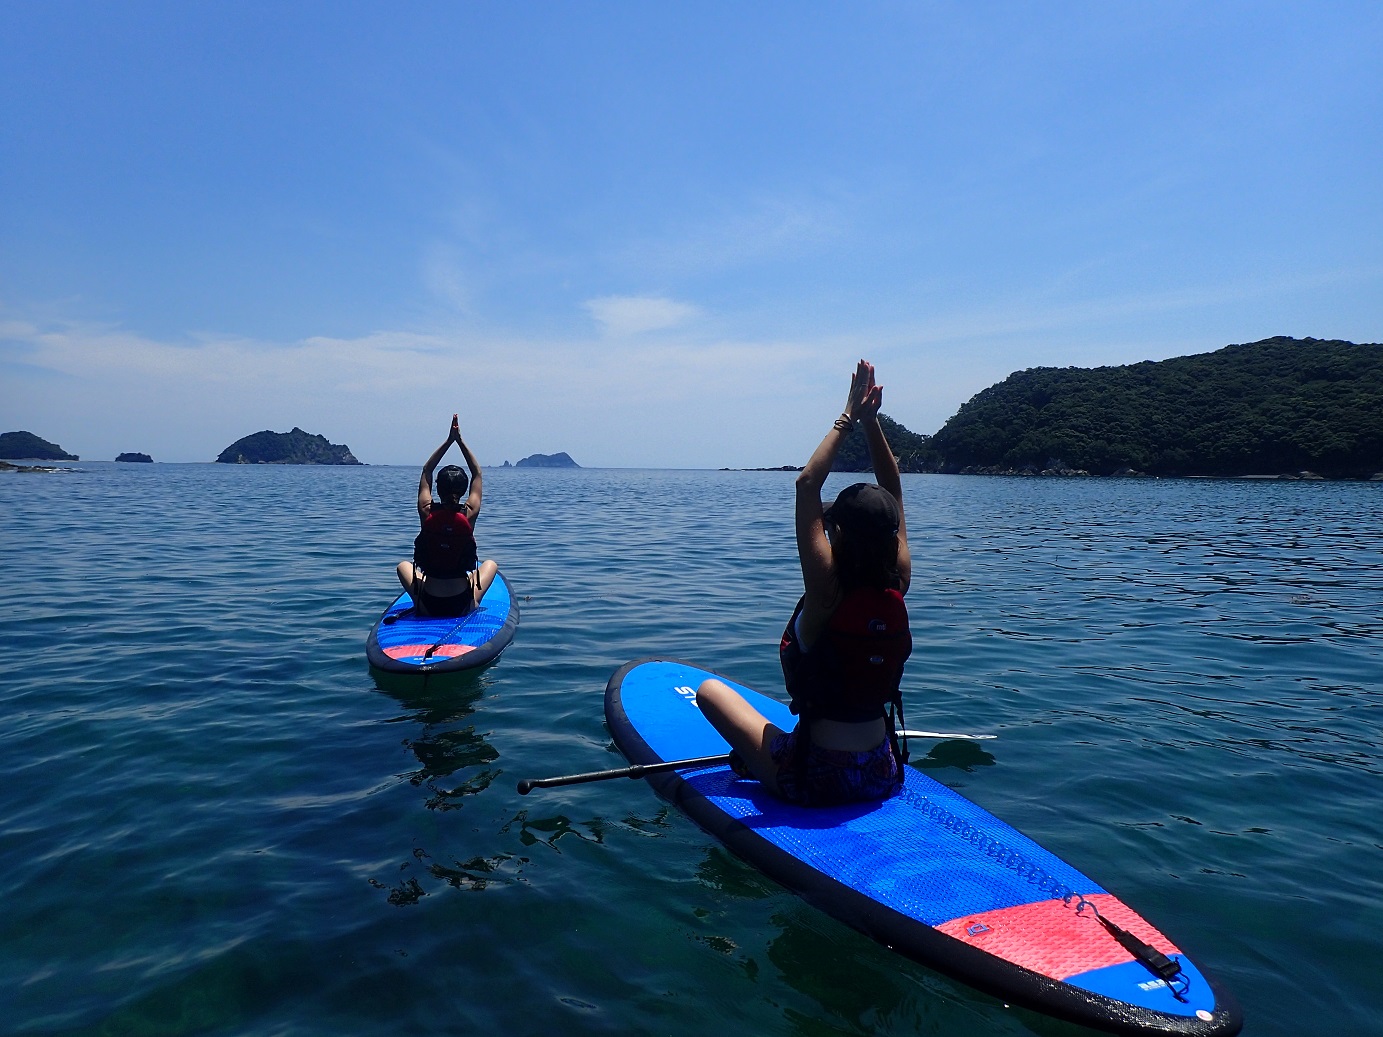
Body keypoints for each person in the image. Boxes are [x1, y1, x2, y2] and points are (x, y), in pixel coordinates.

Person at [696, 360, 913, 806]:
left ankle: (760, 760)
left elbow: (807, 483)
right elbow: (893, 488)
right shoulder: (899, 581)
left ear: (838, 533)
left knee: (709, 692)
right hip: (882, 769)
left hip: (816, 777)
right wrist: (874, 424)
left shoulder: (826, 591)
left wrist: (849, 416)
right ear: (890, 537)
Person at [396, 414, 499, 617]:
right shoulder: (469, 513)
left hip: (428, 603)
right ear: (462, 491)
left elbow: (427, 470)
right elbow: (477, 473)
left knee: (402, 567)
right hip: (461, 603)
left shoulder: (426, 510)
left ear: (438, 488)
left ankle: (421, 604)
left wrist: (448, 441)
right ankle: (473, 604)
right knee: (490, 565)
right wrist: (459, 441)